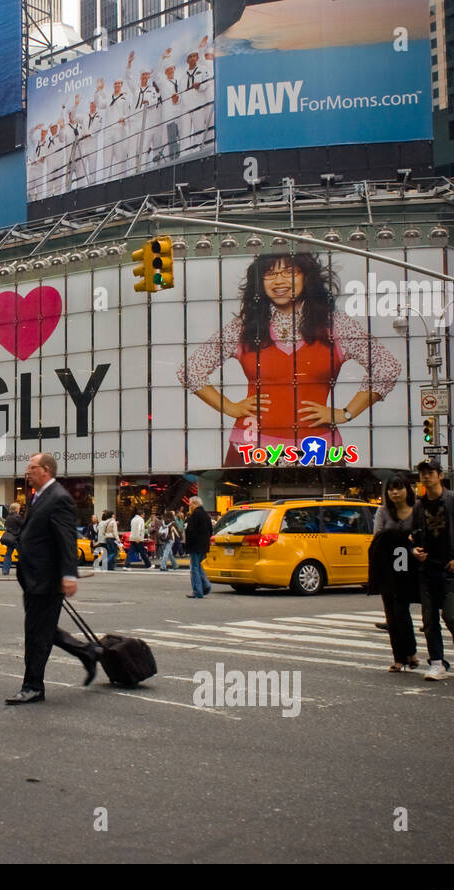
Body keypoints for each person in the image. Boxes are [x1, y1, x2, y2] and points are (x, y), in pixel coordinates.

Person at [178, 253, 402, 466]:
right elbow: (190, 371)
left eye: (289, 272)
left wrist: (346, 413)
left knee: (320, 506)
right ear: (260, 283)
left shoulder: (335, 325)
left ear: (307, 277)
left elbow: (387, 366)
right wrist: (229, 407)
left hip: (318, 448)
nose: (279, 281)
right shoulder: (244, 327)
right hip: (250, 447)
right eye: (270, 274)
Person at [7, 453, 100, 704]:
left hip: (47, 579)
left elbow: (67, 540)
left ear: (46, 470)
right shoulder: (38, 496)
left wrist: (69, 575)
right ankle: (87, 652)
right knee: (42, 629)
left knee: (36, 633)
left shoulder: (59, 498)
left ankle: (33, 686)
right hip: (32, 576)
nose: (27, 471)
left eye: (32, 467)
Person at [410, 459, 454, 680]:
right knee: (429, 620)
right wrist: (415, 550)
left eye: (430, 472)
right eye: (422, 473)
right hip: (427, 568)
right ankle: (437, 663)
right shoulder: (419, 506)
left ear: (440, 474)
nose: (426, 477)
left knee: (452, 616)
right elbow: (415, 534)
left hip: (451, 567)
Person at [369, 476, 421, 672]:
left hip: (409, 569)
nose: (394, 493)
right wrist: (403, 538)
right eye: (391, 489)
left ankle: (411, 652)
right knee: (391, 614)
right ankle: (399, 658)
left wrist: (408, 541)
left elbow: (420, 535)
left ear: (407, 490)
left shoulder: (417, 510)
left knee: (401, 611)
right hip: (386, 568)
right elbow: (378, 537)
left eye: (398, 488)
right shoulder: (383, 511)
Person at [185, 496, 213, 598]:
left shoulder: (194, 515)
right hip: (204, 545)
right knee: (199, 566)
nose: (189, 506)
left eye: (190, 504)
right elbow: (210, 531)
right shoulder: (206, 515)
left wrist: (188, 545)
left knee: (194, 568)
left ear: (195, 504)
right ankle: (205, 585)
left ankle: (198, 591)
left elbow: (190, 532)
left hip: (195, 545)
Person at [1, 501, 23, 576]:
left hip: (10, 538)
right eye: (19, 508)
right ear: (17, 509)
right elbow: (23, 526)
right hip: (16, 538)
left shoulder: (8, 517)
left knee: (8, 554)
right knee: (22, 554)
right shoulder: (17, 517)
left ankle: (5, 570)